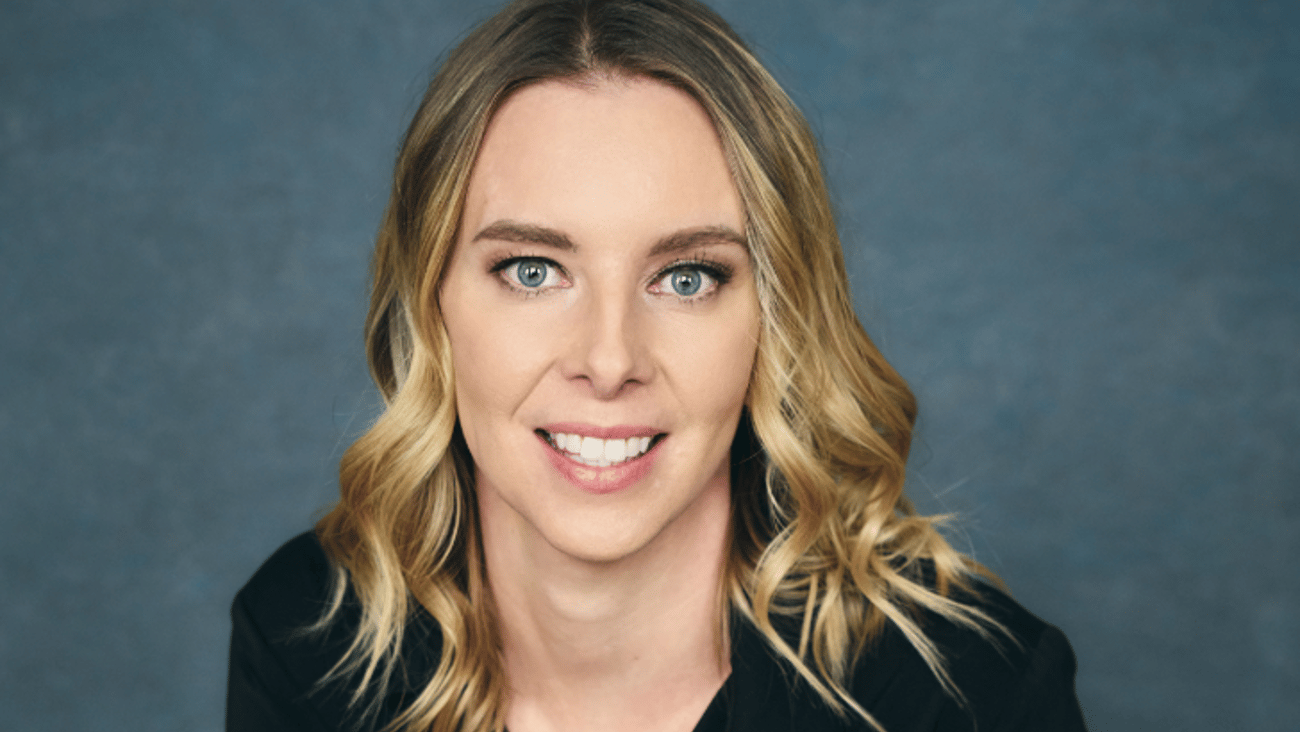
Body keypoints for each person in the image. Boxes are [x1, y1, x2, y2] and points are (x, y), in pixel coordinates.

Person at [226, 1, 1088, 730]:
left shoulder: (971, 697)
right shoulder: (310, 642)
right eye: (533, 271)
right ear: (430, 303)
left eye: (686, 278)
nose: (609, 361)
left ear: (774, 318)